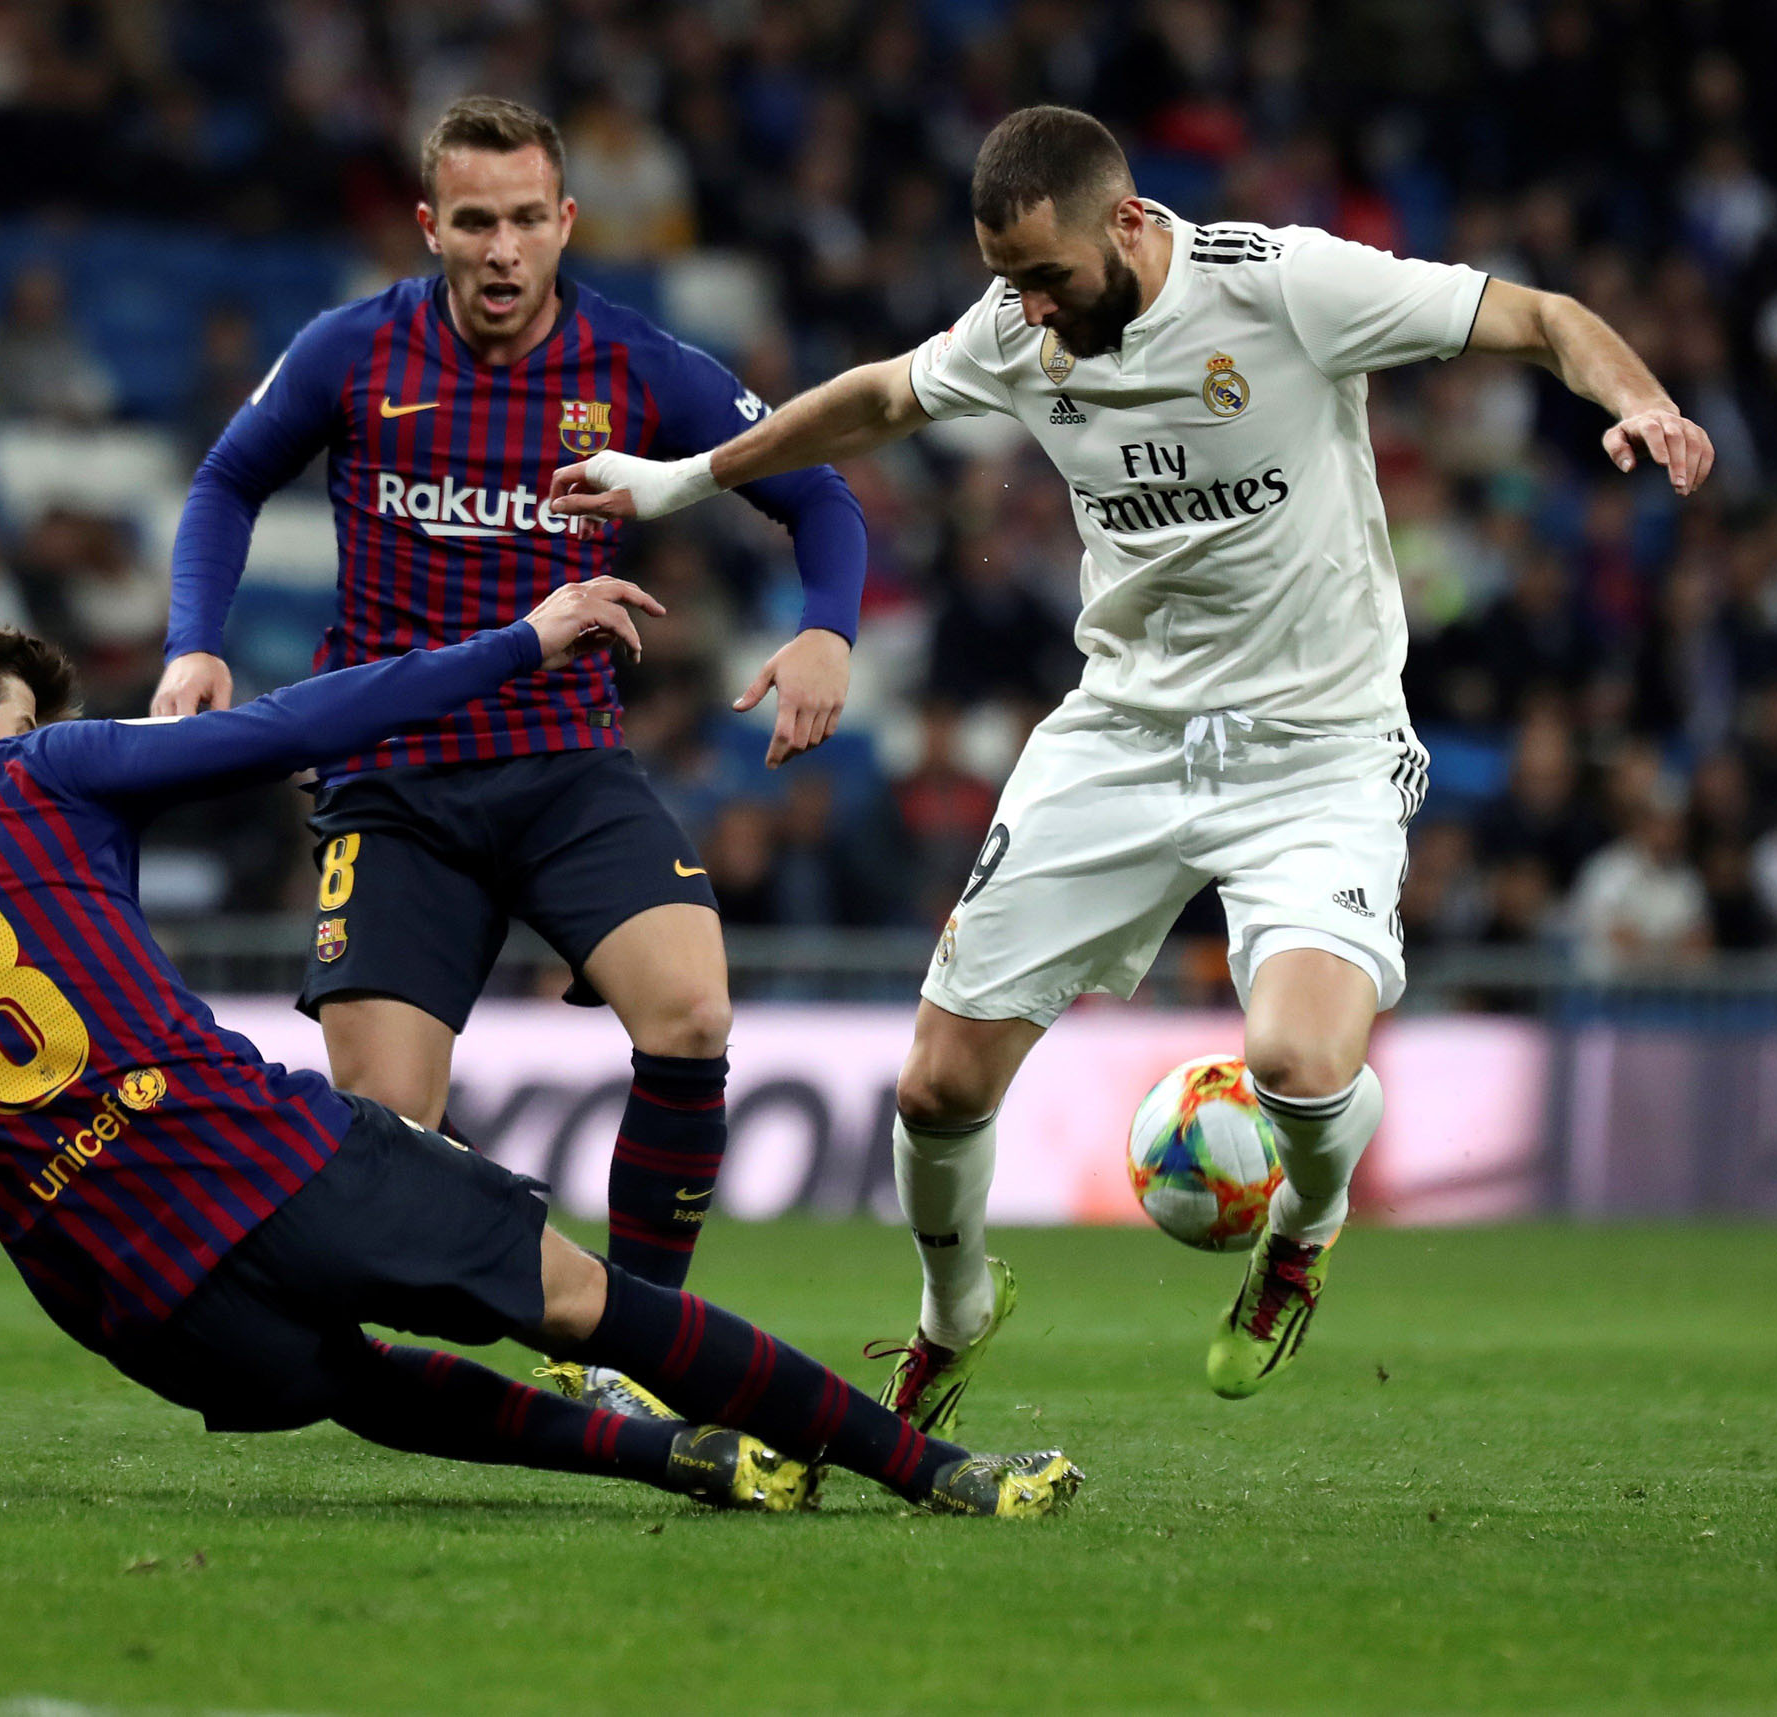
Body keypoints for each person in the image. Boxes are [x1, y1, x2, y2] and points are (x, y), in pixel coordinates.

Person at [553, 105, 1716, 1423]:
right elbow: (879, 397)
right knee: (935, 1085)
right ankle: (953, 1312)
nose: (1030, 311)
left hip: (1315, 747)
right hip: (1122, 735)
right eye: (1008, 282)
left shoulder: (1287, 288)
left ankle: (1304, 1228)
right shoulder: (1019, 327)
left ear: (1124, 220)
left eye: (1047, 277)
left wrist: (1641, 401)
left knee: (1298, 1064)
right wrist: (682, 482)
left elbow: (1542, 316)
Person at [0, 581, 1078, 1520]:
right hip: (262, 1156)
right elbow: (305, 724)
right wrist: (519, 643)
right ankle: (932, 1471)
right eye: (19, 710)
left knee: (356, 1385)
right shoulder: (35, 777)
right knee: (589, 1299)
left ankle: (676, 1461)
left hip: (122, 1291)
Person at [152, 96, 868, 1414]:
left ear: (566, 222)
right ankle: (529, 1252)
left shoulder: (636, 365)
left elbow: (816, 488)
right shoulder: (351, 351)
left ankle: (632, 1351)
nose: (501, 249)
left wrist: (826, 629)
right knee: (389, 1127)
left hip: (562, 769)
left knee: (693, 1012)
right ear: (430, 225)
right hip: (390, 782)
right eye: (475, 221)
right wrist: (195, 641)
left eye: (527, 219)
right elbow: (224, 481)